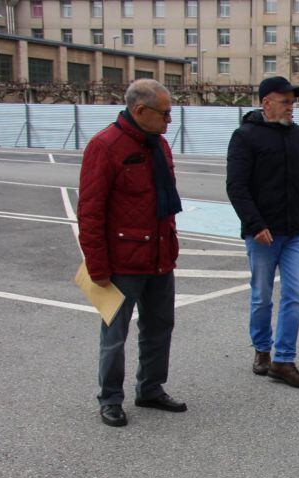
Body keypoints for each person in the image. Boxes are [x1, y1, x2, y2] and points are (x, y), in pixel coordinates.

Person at [78, 78, 185, 428]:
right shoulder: (104, 146)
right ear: (140, 111)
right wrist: (97, 266)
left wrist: (170, 247)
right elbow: (90, 212)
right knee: (115, 334)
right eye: (165, 114)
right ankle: (110, 398)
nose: (170, 120)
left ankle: (150, 389)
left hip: (159, 256)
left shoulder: (160, 146)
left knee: (159, 327)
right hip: (122, 261)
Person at [226, 77, 299, 388]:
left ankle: (283, 360)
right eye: (285, 101)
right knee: (261, 297)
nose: (291, 107)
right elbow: (236, 187)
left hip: (295, 232)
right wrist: (255, 225)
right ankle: (262, 350)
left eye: (293, 101)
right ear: (266, 102)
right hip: (263, 234)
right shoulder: (245, 137)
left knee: (294, 294)